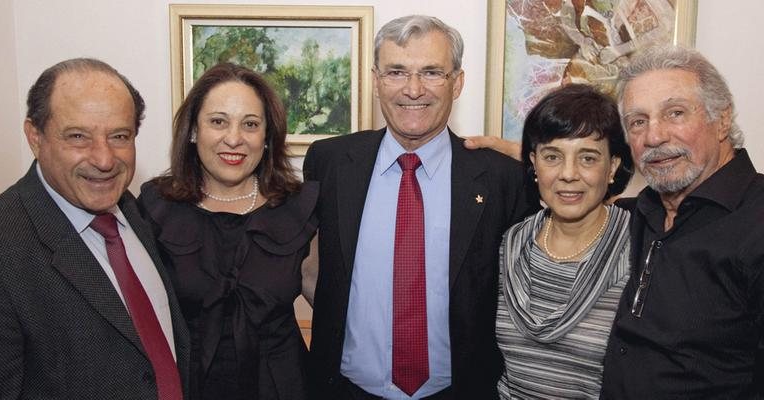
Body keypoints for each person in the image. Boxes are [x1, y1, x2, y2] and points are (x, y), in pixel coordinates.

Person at [303, 15, 538, 399]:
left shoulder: (502, 177)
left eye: (431, 72)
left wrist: (539, 164)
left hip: (460, 391)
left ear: (457, 82)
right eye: (396, 72)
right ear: (376, 79)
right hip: (344, 389)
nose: (413, 89)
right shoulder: (328, 162)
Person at [0, 58, 189, 399]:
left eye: (119, 136)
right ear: (35, 137)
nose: (104, 159)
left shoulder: (134, 211)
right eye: (78, 136)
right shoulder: (5, 243)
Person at [137, 62, 318, 400]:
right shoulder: (154, 207)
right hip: (185, 386)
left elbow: (334, 303)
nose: (234, 139)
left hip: (284, 387)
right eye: (218, 121)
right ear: (193, 131)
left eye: (250, 124)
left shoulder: (301, 208)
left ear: (267, 137)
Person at [600, 46, 764, 398]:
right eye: (638, 121)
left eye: (675, 113)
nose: (654, 137)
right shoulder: (639, 213)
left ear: (721, 119)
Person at [496, 84, 634, 399]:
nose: (568, 174)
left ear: (612, 166)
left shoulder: (639, 249)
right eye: (552, 156)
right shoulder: (511, 244)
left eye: (588, 158)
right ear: (533, 164)